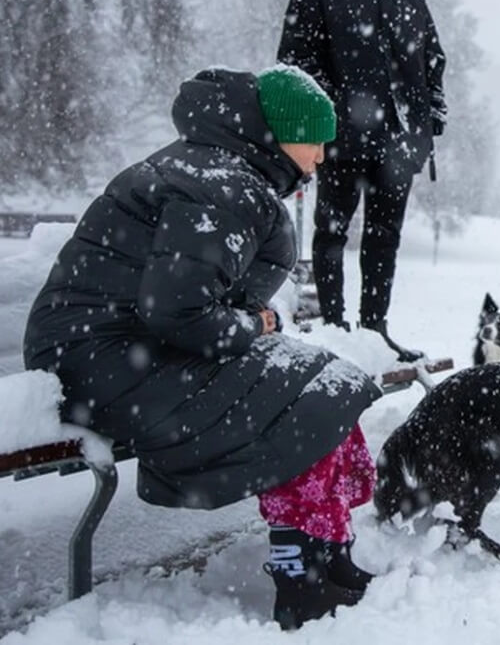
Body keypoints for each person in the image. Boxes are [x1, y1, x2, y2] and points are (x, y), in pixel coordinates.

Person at [23, 66, 383, 630]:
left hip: (121, 354)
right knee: (303, 399)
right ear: (281, 134)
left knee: (323, 384)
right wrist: (255, 326)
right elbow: (178, 311)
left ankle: (328, 553)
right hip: (102, 364)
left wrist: (250, 324)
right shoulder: (220, 182)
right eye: (313, 139)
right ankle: (301, 578)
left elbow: (185, 305)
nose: (319, 155)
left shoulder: (220, 169)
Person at [277, 0, 446, 362]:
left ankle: (374, 333)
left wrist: (430, 119)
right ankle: (334, 327)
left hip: (398, 146)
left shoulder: (412, 3)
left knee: (383, 239)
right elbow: (296, 63)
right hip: (339, 141)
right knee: (331, 233)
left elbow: (434, 65)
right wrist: (321, 122)